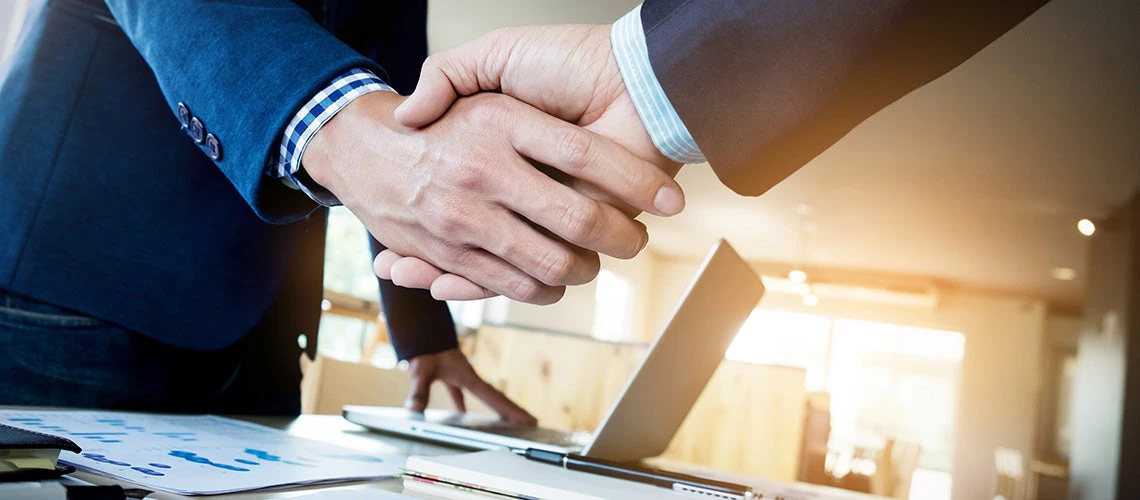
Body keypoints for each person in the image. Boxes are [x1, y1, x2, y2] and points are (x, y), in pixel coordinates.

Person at [0, 0, 675, 418]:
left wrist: (426, 336)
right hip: (75, 292)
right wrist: (352, 138)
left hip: (262, 322)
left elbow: (408, 106)